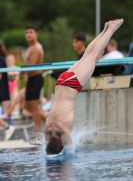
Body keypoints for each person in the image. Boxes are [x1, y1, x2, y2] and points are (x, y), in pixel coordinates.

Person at [44, 19, 124, 155]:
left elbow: (71, 150)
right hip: (61, 81)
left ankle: (111, 28)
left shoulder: (64, 131)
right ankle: (104, 29)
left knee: (94, 56)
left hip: (71, 85)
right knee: (88, 55)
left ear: (62, 143)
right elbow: (47, 143)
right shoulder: (47, 130)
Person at [22, 25, 46, 132]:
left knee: (34, 107)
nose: (28, 34)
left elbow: (31, 65)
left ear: (36, 34)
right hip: (31, 79)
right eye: (26, 32)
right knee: (27, 106)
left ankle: (38, 134)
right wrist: (22, 73)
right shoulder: (30, 47)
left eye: (31, 32)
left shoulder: (36, 47)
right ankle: (48, 121)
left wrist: (21, 72)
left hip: (36, 77)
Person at [0, 43, 15, 140]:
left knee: (7, 112)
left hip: (1, 90)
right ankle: (7, 127)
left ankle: (8, 127)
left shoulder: (0, 59)